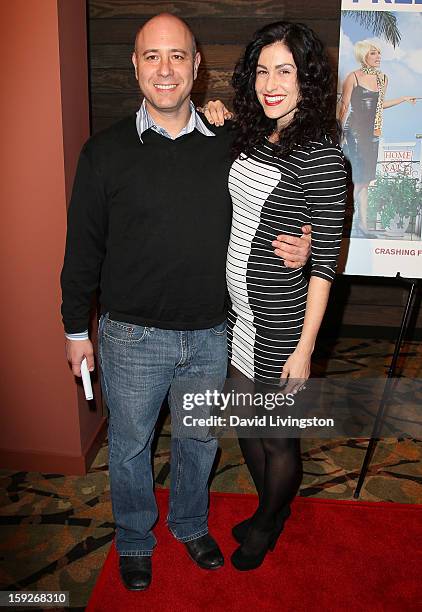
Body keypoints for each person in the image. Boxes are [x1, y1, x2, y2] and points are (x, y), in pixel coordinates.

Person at [60, 13, 311, 591]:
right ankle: (134, 538)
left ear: (197, 67)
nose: (166, 69)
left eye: (178, 56)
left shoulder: (232, 141)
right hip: (129, 337)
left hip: (209, 333)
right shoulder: (103, 153)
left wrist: (307, 243)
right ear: (135, 65)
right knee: (129, 449)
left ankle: (191, 523)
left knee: (199, 441)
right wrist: (76, 332)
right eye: (153, 56)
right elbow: (82, 253)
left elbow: (287, 195)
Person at [205, 20, 346, 570]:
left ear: (306, 78)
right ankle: (272, 506)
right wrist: (217, 113)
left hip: (283, 323)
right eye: (262, 70)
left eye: (284, 71)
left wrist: (305, 349)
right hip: (239, 315)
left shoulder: (321, 156)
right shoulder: (253, 133)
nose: (270, 83)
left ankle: (268, 519)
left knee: (278, 438)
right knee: (246, 421)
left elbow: (326, 265)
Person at [339, 40, 416, 237]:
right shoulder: (353, 77)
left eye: (379, 53)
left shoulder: (383, 78)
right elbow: (345, 106)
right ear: (364, 55)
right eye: (374, 53)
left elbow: (379, 105)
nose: (378, 56)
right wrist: (339, 134)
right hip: (354, 133)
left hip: (372, 134)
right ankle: (351, 220)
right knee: (358, 179)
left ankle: (360, 223)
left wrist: (403, 99)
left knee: (365, 181)